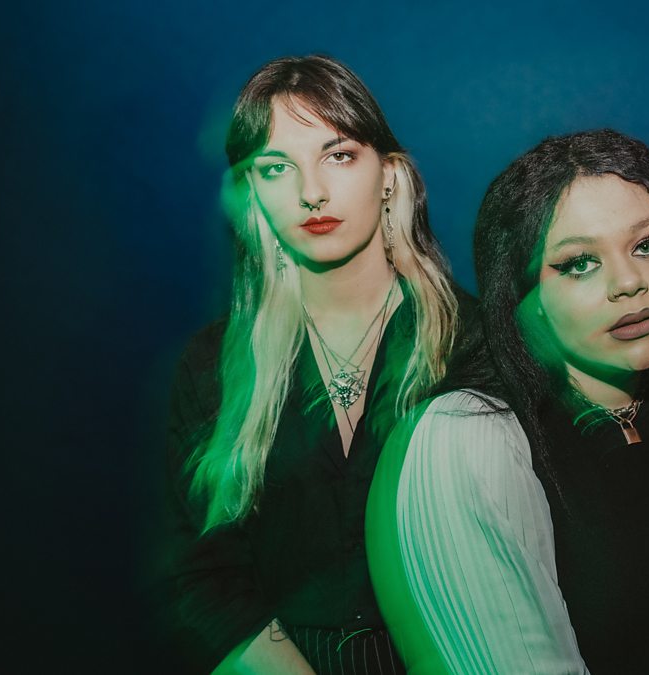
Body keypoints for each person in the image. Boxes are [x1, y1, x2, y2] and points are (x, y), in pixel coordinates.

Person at [366, 129, 649, 674]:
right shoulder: (464, 441)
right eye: (579, 262)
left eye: (648, 245)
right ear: (524, 296)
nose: (628, 283)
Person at [164, 55, 465, 674]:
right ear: (251, 190)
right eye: (277, 167)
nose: (311, 192)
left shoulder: (475, 342)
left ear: (388, 175)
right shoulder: (211, 367)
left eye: (339, 155)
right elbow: (203, 577)